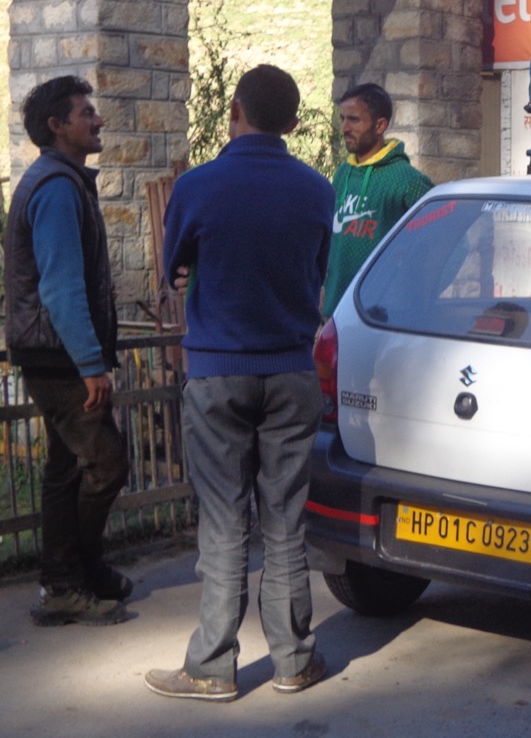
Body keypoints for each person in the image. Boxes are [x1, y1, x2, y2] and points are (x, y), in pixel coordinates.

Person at [145, 65, 334, 702]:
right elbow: (318, 273)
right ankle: (294, 659)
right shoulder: (317, 189)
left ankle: (212, 667)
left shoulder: (197, 186)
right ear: (292, 121)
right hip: (290, 370)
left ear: (235, 109)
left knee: (225, 525)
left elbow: (171, 268)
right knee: (285, 523)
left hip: (218, 372)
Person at [4, 76, 132, 626]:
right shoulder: (56, 188)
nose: (97, 119)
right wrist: (89, 365)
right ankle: (67, 577)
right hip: (58, 357)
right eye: (86, 113)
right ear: (57, 126)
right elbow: (60, 287)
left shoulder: (61, 181)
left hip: (49, 351)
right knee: (107, 462)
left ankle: (76, 576)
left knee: (64, 469)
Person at [321, 82, 433, 318]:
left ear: (380, 125)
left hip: (382, 318)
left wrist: (417, 292)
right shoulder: (343, 173)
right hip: (335, 314)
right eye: (342, 119)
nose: (344, 128)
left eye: (354, 120)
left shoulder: (408, 181)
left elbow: (444, 239)